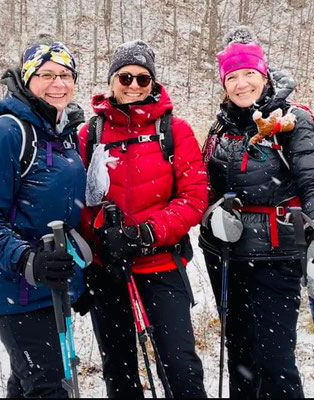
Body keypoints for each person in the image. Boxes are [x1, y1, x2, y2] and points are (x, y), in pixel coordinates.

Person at [199, 26, 314, 399]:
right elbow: (204, 188)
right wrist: (211, 215)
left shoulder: (291, 122)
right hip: (226, 256)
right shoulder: (220, 126)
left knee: (274, 360)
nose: (242, 84)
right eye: (232, 77)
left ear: (264, 74)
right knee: (240, 353)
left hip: (277, 253)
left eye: (249, 74)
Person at [77, 40, 209, 398]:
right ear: (112, 80)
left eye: (143, 79)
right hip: (108, 270)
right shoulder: (91, 134)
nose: (134, 85)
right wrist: (98, 239)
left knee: (180, 370)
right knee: (119, 373)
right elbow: (78, 202)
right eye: (125, 77)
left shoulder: (174, 130)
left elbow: (195, 198)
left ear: (153, 83)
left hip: (161, 265)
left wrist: (145, 233)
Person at [0, 34, 88, 398]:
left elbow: (64, 213)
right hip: (16, 289)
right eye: (47, 75)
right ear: (28, 79)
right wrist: (27, 260)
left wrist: (79, 277)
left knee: (29, 383)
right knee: (48, 388)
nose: (58, 84)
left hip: (54, 287)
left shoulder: (62, 134)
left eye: (65, 75)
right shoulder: (8, 132)